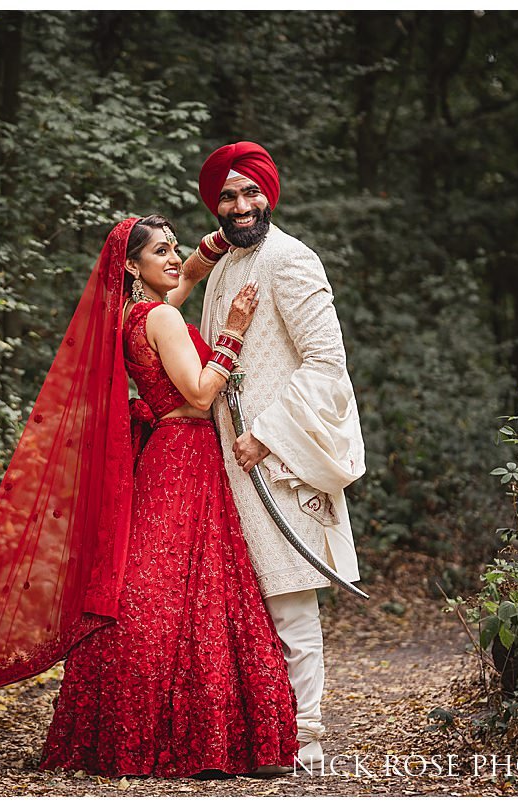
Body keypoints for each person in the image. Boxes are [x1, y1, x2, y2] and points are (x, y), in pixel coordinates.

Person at [0, 215, 299, 778]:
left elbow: (183, 279)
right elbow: (202, 395)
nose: (174, 258)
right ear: (132, 265)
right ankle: (187, 728)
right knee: (180, 585)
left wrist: (212, 246)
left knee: (163, 579)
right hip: (185, 451)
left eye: (176, 248)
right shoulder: (165, 318)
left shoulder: (128, 315)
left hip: (163, 453)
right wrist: (232, 328)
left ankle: (121, 724)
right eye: (161, 251)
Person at [177, 141, 367, 772]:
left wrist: (267, 434)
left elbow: (327, 366)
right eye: (227, 196)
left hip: (275, 460)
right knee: (243, 603)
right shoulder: (230, 261)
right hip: (225, 461)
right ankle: (258, 736)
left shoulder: (291, 260)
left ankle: (306, 745)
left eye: (250, 192)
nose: (240, 205)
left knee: (289, 600)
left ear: (270, 193)